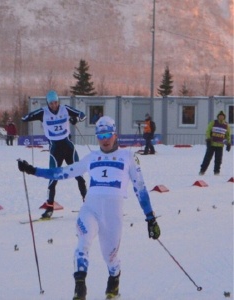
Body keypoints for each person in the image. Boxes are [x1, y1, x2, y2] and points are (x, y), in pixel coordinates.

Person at [17, 115, 161, 300]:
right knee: (83, 243)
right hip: (90, 209)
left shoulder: (128, 157)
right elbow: (63, 173)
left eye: (108, 134)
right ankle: (80, 287)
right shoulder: (91, 157)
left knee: (110, 257)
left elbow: (140, 188)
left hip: (112, 216)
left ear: (115, 134)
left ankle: (114, 276)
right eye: (100, 135)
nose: (105, 139)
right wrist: (33, 170)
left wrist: (150, 218)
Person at [21, 90, 87, 218]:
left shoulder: (65, 109)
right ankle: (49, 208)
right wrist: (29, 118)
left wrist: (75, 118)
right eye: (51, 103)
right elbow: (25, 118)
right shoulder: (43, 112)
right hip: (55, 150)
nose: (54, 105)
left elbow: (82, 115)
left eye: (56, 102)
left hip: (68, 147)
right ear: (48, 103)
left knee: (79, 175)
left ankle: (88, 203)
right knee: (53, 179)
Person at [199, 110, 231, 175]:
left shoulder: (226, 125)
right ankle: (202, 171)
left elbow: (228, 135)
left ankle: (216, 172)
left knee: (218, 160)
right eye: (220, 116)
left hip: (220, 145)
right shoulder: (213, 122)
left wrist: (228, 143)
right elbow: (208, 130)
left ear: (224, 117)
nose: (221, 117)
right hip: (212, 144)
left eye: (222, 116)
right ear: (218, 117)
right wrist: (208, 138)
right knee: (207, 158)